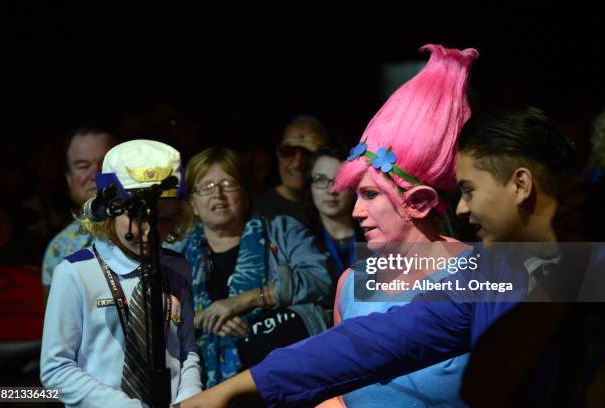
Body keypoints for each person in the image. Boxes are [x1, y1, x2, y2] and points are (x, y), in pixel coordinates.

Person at [176, 101, 582, 406]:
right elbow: (369, 343)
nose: (461, 207)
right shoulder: (486, 277)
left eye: (470, 190)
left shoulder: (553, 271)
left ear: (521, 184)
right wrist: (226, 394)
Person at [40, 139, 202, 406]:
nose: (151, 232)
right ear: (109, 211)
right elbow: (56, 370)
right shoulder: (74, 273)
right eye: (139, 219)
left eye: (164, 219)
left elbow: (186, 351)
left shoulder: (177, 268)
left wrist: (189, 399)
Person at [180, 147, 333, 388]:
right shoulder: (176, 255)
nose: (218, 194)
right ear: (193, 202)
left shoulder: (282, 230)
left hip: (289, 375)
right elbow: (154, 315)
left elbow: (321, 280)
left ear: (245, 192)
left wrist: (248, 300)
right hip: (202, 386)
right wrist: (202, 318)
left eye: (228, 184)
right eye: (206, 187)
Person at [41, 125, 116, 300]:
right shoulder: (59, 247)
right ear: (68, 178)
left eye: (105, 163)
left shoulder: (157, 230)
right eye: (83, 166)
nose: (96, 174)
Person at [253, 115, 329, 223]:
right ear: (278, 155)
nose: (297, 164)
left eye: (308, 154)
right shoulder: (257, 208)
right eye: (288, 152)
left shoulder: (334, 204)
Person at [305, 146, 363, 284]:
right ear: (309, 186)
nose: (331, 190)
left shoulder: (373, 236)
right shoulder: (298, 237)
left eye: (340, 180)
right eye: (320, 180)